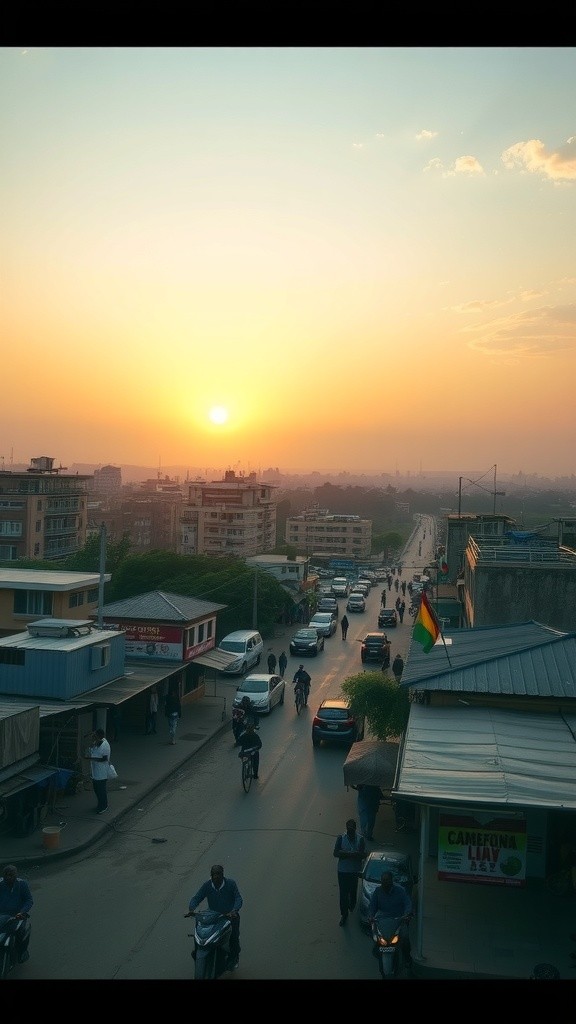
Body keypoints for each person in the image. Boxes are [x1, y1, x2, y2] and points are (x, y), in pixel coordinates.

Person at [185, 864, 243, 972]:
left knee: (234, 939)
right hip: (213, 916)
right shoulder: (207, 885)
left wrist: (234, 910)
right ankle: (197, 950)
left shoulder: (231, 884)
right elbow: (197, 898)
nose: (216, 877)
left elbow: (238, 898)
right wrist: (191, 909)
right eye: (213, 874)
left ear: (222, 874)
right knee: (199, 930)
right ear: (211, 875)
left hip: (229, 917)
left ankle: (234, 958)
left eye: (218, 874)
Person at [369, 870, 413, 968]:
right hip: (382, 921)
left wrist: (407, 914)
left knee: (405, 937)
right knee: (375, 937)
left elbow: (407, 903)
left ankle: (407, 958)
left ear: (391, 881)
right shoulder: (378, 891)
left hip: (399, 920)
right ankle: (377, 951)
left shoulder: (400, 891)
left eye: (387, 880)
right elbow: (372, 906)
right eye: (383, 881)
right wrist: (371, 916)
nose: (385, 883)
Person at [333, 818, 366, 926]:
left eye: (352, 829)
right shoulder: (341, 838)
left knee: (352, 890)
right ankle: (344, 914)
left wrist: (345, 854)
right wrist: (351, 854)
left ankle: (352, 904)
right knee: (343, 893)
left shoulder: (360, 839)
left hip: (354, 871)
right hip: (342, 871)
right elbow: (336, 853)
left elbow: (362, 855)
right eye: (348, 829)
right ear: (346, 828)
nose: (350, 831)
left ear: (355, 829)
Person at [0, 864, 33, 964]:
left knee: (21, 932)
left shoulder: (22, 884)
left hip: (17, 915)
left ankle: (22, 952)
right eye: (6, 875)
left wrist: (22, 911)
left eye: (11, 875)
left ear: (15, 875)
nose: (8, 877)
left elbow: (29, 900)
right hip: (1, 916)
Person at [83, 727, 111, 814]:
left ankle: (104, 806)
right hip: (95, 771)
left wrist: (91, 759)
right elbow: (93, 751)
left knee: (101, 790)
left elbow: (104, 759)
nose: (93, 737)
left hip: (102, 772)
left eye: (95, 735)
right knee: (97, 790)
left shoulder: (105, 745)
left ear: (100, 736)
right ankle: (100, 804)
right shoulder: (97, 743)